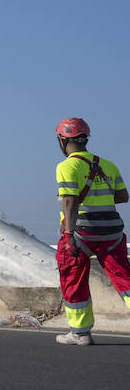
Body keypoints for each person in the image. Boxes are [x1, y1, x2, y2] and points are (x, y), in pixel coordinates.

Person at [52, 117, 130, 346]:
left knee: (73, 279)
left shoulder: (67, 166)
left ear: (62, 140)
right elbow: (123, 197)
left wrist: (68, 236)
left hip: (81, 232)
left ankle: (80, 333)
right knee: (124, 278)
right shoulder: (108, 165)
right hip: (112, 232)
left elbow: (70, 201)